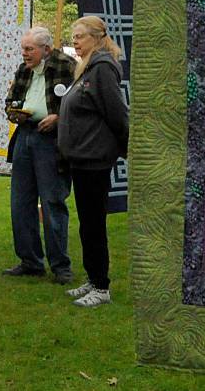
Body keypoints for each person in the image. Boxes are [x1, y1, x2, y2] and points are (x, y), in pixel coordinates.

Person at [57, 16, 128, 307]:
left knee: (94, 224)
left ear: (97, 38)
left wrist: (126, 147)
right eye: (73, 36)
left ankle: (101, 286)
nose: (75, 41)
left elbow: (117, 112)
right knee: (87, 223)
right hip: (81, 157)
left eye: (80, 36)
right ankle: (92, 277)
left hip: (94, 159)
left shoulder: (102, 69)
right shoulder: (87, 67)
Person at [2, 26, 77, 283]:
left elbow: (81, 102)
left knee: (52, 202)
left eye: (29, 49)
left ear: (46, 49)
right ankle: (30, 261)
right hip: (25, 136)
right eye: (23, 49)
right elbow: (11, 100)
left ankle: (61, 266)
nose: (24, 53)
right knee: (20, 202)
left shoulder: (66, 66)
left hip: (51, 141)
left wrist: (59, 117)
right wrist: (14, 112)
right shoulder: (24, 70)